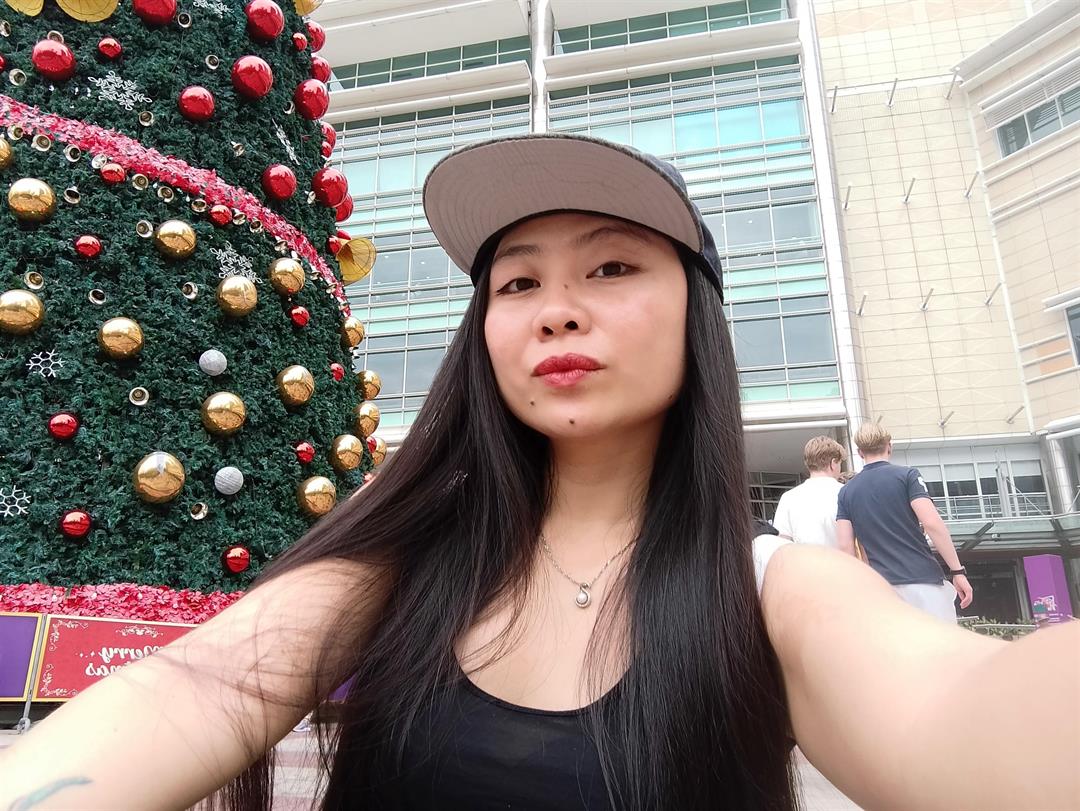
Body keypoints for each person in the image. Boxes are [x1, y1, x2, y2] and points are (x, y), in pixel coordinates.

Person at [0, 135, 1076, 811]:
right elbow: (194, 687)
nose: (557, 308)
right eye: (517, 284)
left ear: (696, 313)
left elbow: (960, 716)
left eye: (611, 265)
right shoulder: (403, 561)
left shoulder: (774, 591)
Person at [836, 422, 974, 622]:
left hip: (882, 587)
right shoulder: (908, 476)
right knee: (939, 640)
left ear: (860, 452)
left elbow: (845, 546)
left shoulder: (846, 492)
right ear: (889, 446)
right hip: (923, 579)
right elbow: (932, 524)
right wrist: (957, 571)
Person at [772, 436, 847, 547]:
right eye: (839, 463)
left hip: (802, 557)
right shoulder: (846, 493)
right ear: (833, 463)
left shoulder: (788, 498)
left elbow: (782, 542)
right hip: (841, 557)